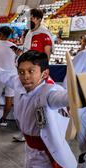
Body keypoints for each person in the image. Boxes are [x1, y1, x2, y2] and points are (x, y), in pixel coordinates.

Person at [13, 8, 54, 142]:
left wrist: (41, 74)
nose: (29, 20)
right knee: (24, 104)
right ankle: (25, 131)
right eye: (28, 17)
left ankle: (39, 133)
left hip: (37, 76)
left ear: (38, 19)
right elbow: (27, 53)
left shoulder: (44, 34)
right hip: (26, 73)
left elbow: (46, 57)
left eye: (31, 17)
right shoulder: (29, 34)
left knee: (37, 105)